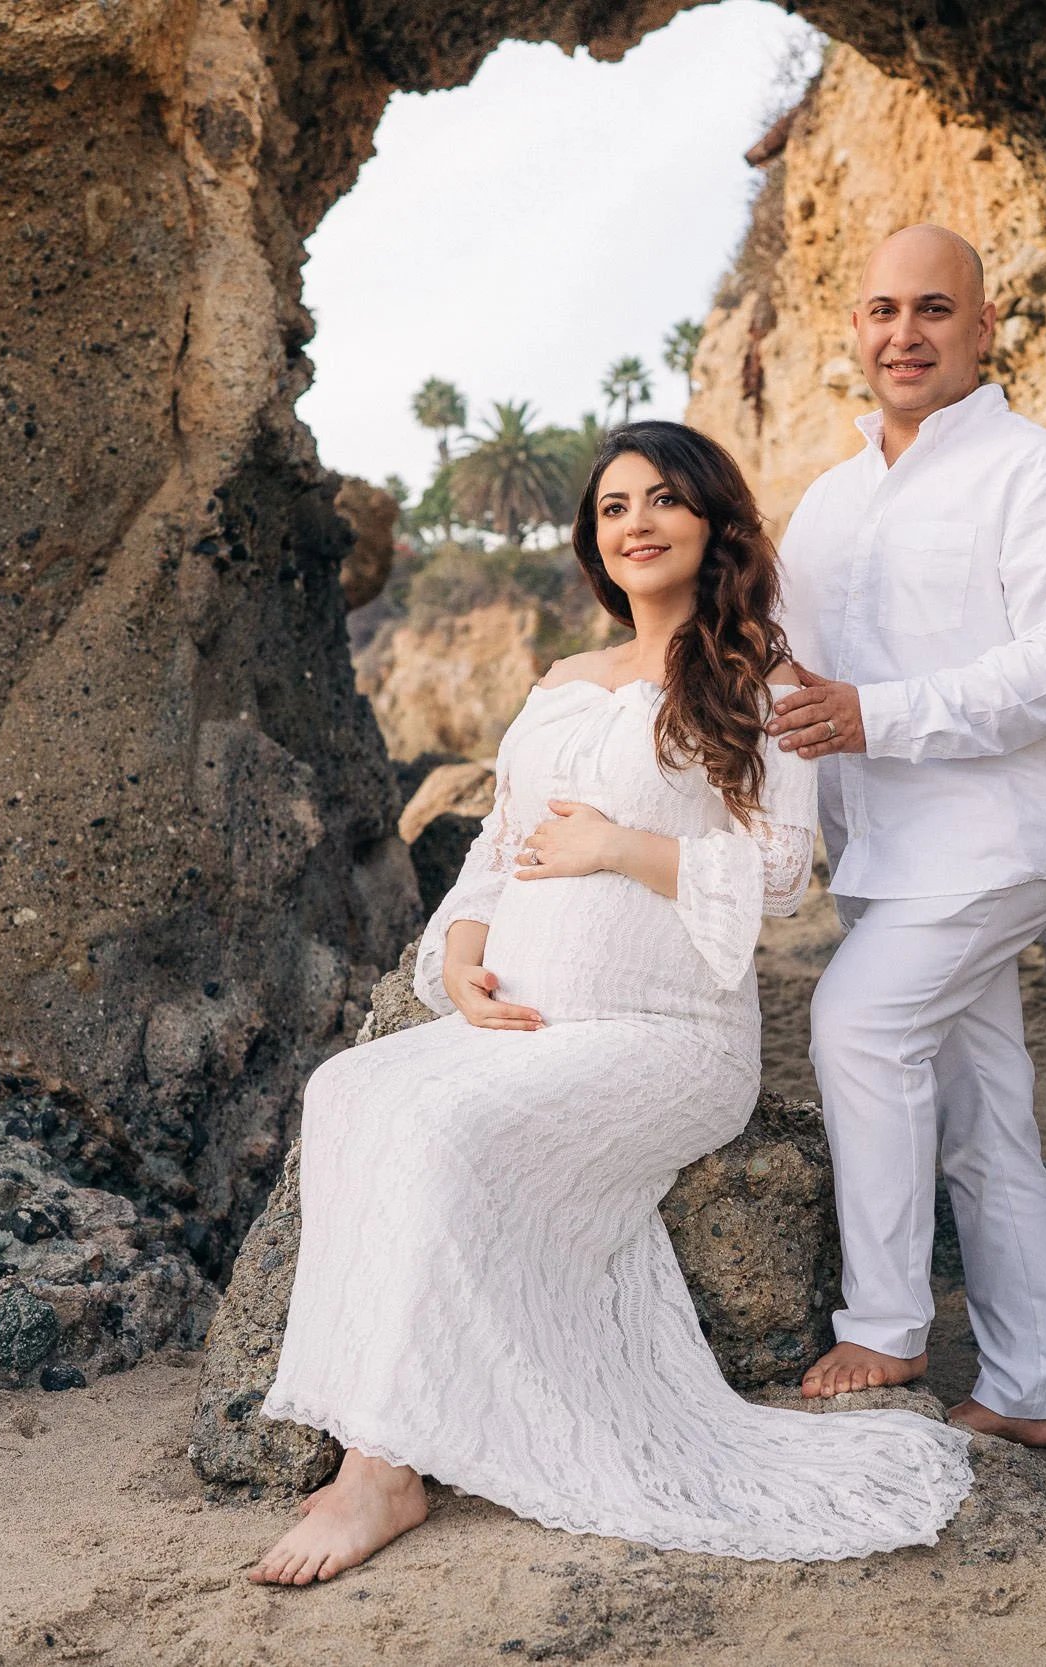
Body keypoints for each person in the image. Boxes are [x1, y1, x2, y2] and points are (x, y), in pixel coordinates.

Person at [250, 422, 973, 1587]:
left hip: (665, 1034)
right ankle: (380, 1439)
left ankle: (379, 1467)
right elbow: (495, 840)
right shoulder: (561, 684)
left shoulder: (762, 679)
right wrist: (460, 963)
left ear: (711, 522)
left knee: (438, 1131)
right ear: (593, 540)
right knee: (347, 1091)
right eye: (610, 507)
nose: (633, 522)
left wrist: (617, 846)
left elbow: (786, 872)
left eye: (661, 500)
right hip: (527, 1014)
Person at [768, 224, 1046, 1448]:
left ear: (981, 327)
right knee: (985, 1112)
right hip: (880, 851)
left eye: (933, 309)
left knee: (855, 1024)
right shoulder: (826, 500)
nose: (903, 334)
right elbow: (776, 660)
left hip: (994, 842)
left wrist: (880, 713)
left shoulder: (1041, 475)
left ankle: (884, 1322)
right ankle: (1033, 1387)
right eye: (880, 310)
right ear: (855, 330)